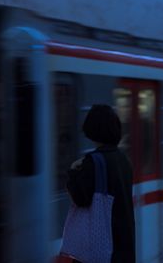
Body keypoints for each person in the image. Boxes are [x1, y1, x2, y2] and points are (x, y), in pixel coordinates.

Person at [66, 104, 136, 263]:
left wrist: (73, 171)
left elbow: (80, 199)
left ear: (92, 130)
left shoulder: (92, 162)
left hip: (101, 251)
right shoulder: (124, 160)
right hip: (123, 247)